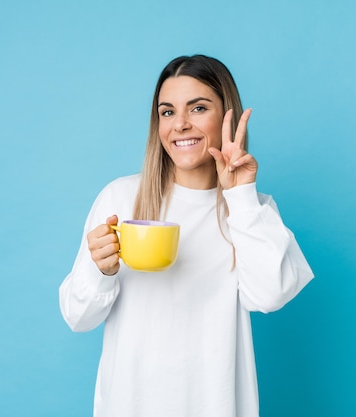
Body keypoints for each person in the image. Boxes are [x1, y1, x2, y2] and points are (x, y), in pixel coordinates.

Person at [59, 54, 314, 417]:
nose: (179, 124)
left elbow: (270, 296)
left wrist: (240, 196)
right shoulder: (121, 198)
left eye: (197, 108)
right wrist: (101, 271)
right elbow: (76, 316)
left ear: (226, 116)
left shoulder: (251, 210)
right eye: (167, 112)